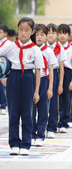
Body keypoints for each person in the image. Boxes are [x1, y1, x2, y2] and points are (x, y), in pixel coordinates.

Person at [0, 17, 44, 155]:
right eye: (20, 30)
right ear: (17, 30)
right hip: (13, 77)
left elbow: (38, 71)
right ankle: (14, 143)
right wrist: (3, 77)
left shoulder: (35, 50)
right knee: (13, 112)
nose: (23, 33)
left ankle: (25, 143)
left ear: (32, 32)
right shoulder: (10, 45)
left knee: (27, 112)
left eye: (26, 30)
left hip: (28, 78)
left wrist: (36, 91)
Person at [32, 24, 57, 146]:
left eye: (42, 35)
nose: (39, 37)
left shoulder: (48, 52)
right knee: (30, 110)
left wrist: (50, 87)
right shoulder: (30, 49)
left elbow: (51, 70)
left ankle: (40, 135)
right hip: (30, 81)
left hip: (44, 81)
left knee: (43, 110)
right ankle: (31, 134)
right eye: (37, 34)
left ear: (46, 37)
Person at [46, 23, 66, 138]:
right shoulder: (41, 46)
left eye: (53, 33)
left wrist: (60, 84)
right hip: (43, 75)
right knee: (41, 103)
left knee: (53, 102)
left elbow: (61, 67)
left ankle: (52, 128)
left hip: (55, 74)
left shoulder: (60, 48)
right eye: (48, 33)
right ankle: (40, 126)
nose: (50, 35)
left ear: (57, 35)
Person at [57, 24, 72, 133]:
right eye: (60, 33)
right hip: (56, 72)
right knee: (56, 99)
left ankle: (64, 123)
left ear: (68, 35)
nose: (62, 36)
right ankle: (55, 122)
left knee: (66, 99)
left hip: (67, 73)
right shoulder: (54, 47)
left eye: (64, 33)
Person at [0, 24, 11, 115]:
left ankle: (3, 106)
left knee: (1, 86)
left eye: (0, 32)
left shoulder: (8, 44)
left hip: (4, 69)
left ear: (5, 33)